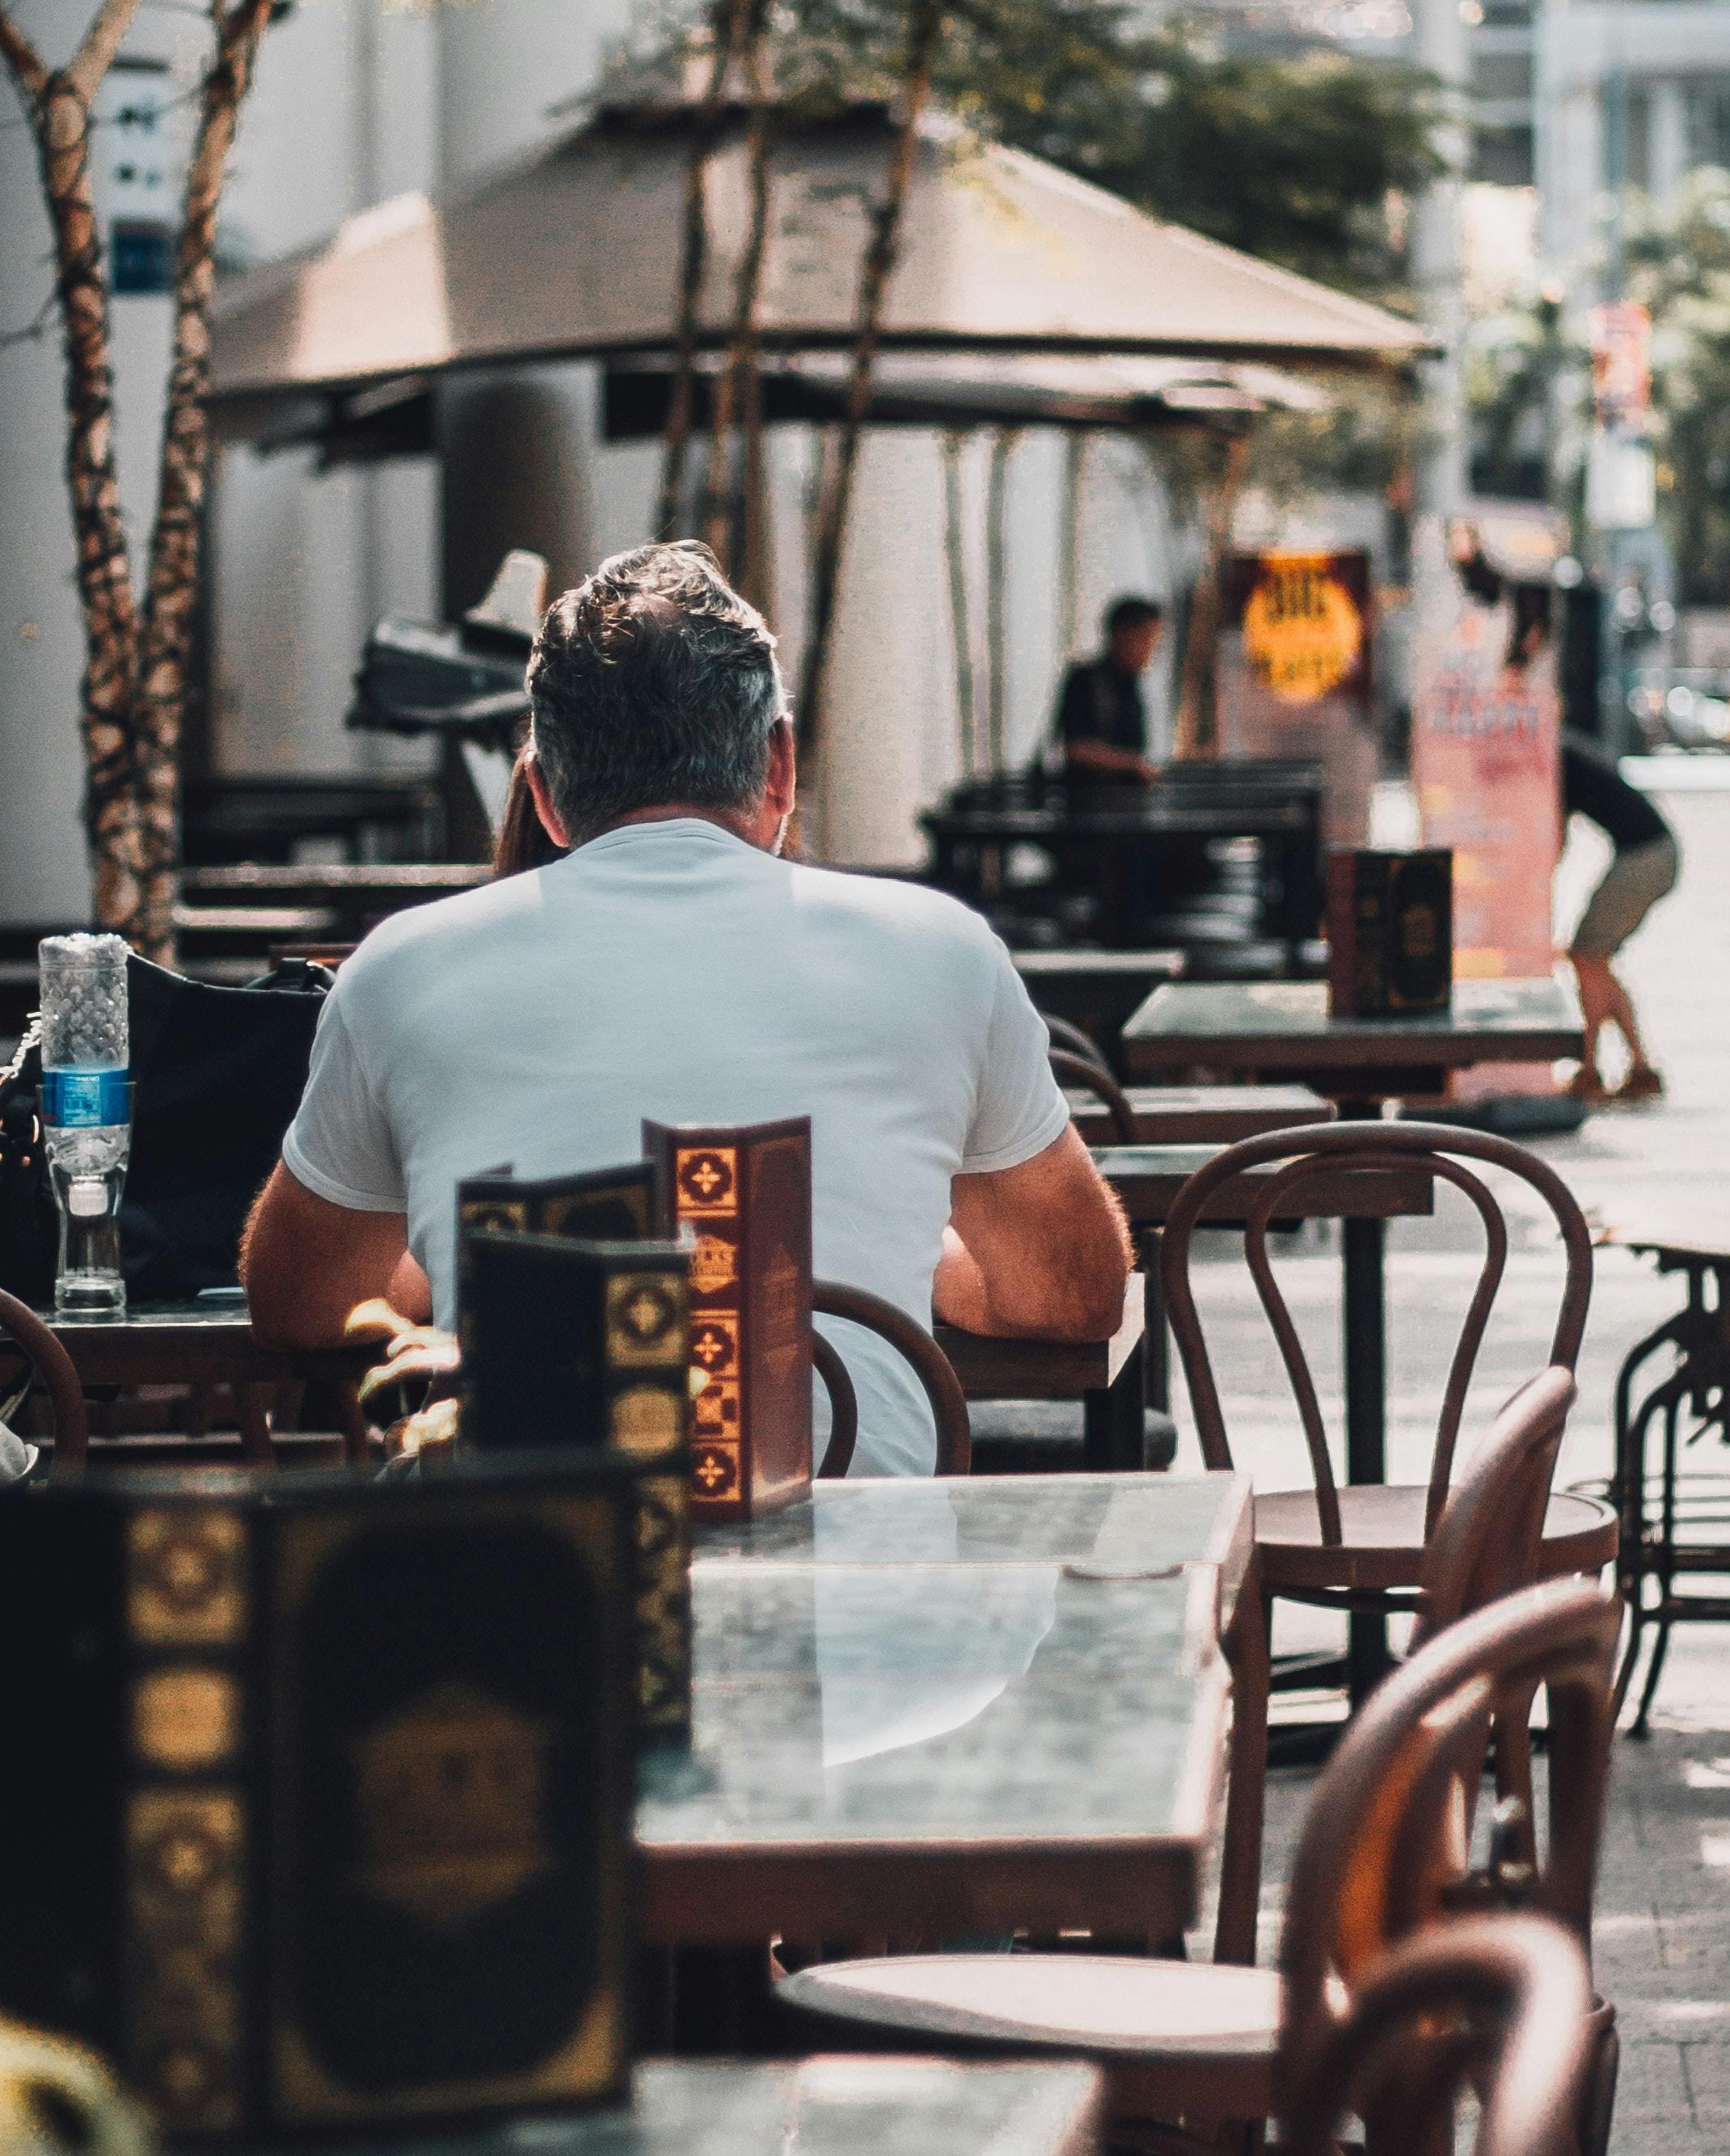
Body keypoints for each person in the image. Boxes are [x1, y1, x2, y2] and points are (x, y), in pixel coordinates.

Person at [242, 542, 1130, 1470]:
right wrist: (892, 1256)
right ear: (780, 765)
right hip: (875, 1588)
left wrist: (487, 1264)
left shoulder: (398, 970)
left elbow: (302, 1307)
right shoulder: (944, 951)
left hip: (542, 1586)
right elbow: (1070, 1294)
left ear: (542, 795)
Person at [1560, 730, 1680, 1103]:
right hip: (1655, 852)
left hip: (1645, 858)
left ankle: (1592, 1069)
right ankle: (1639, 1067)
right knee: (1594, 961)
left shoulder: (1555, 758)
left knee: (1586, 957)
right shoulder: (1567, 748)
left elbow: (1554, 839)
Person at [1052, 596, 1163, 787]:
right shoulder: (1085, 681)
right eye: (1145, 638)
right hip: (1088, 806)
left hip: (1124, 804)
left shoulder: (1131, 684)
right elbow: (1076, 748)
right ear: (1121, 634)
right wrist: (1133, 764)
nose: (1151, 649)